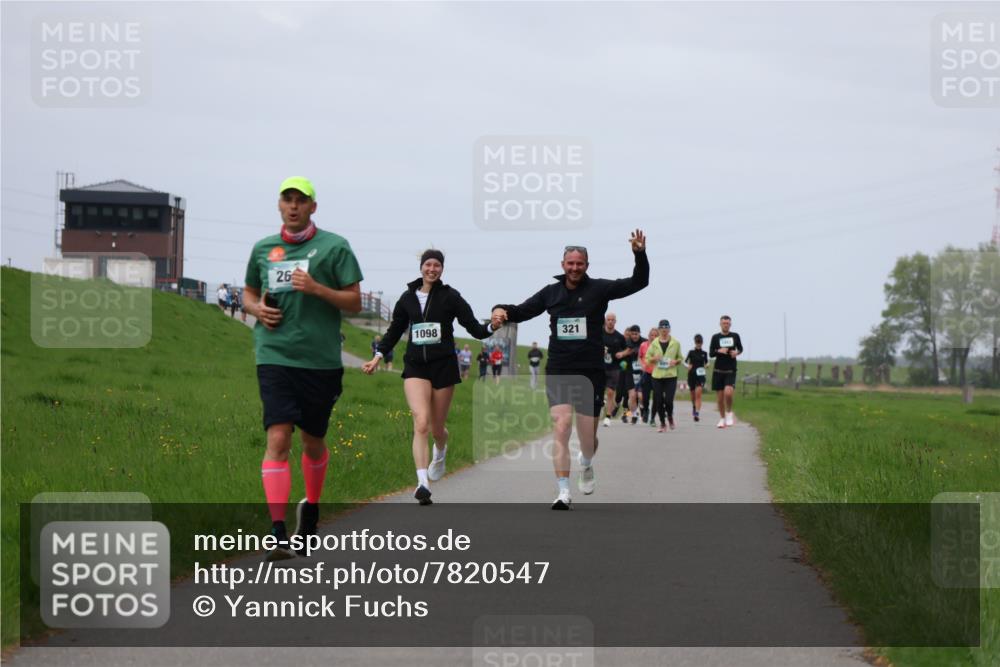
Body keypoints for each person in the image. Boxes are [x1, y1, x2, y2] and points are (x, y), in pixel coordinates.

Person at [242, 176, 363, 561]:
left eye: (301, 200)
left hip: (321, 361)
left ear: (313, 207)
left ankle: (310, 510)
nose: (293, 206)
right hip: (274, 354)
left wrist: (317, 289)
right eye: (287, 199)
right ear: (279, 205)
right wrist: (255, 309)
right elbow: (247, 291)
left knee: (312, 441)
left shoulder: (334, 247)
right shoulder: (264, 249)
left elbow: (355, 302)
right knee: (278, 438)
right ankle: (277, 532)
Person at [491, 230, 649, 509]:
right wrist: (500, 310)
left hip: (590, 371)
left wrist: (639, 254)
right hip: (560, 368)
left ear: (587, 265)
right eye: (570, 263)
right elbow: (522, 310)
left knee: (588, 439)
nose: (574, 268)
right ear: (562, 264)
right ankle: (563, 491)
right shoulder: (551, 293)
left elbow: (639, 282)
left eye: (580, 263)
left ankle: (586, 463)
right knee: (561, 426)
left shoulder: (599, 289)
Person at [362, 249, 496, 505]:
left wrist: (492, 326)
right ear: (421, 267)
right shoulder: (407, 298)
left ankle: (441, 450)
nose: (432, 269)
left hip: (444, 366)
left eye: (437, 265)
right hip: (415, 366)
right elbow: (393, 332)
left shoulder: (450, 297)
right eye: (428, 265)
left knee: (436, 428)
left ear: (442, 269)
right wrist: (378, 357)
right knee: (420, 422)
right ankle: (422, 482)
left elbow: (474, 328)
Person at [644, 319, 684, 433]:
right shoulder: (655, 343)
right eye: (662, 328)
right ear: (659, 329)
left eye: (666, 327)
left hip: (671, 375)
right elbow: (647, 359)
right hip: (657, 376)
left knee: (668, 400)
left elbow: (681, 358)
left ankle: (670, 417)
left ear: (669, 329)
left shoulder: (675, 343)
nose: (664, 330)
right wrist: (654, 359)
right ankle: (662, 423)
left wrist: (675, 362)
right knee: (659, 400)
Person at [709, 315, 744, 428]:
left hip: (730, 370)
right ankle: (722, 418)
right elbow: (711, 353)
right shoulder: (715, 337)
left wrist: (736, 353)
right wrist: (719, 350)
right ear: (720, 324)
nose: (726, 325)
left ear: (730, 324)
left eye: (728, 323)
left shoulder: (735, 336)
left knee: (728, 393)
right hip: (718, 370)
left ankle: (729, 413)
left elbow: (740, 348)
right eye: (724, 323)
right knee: (719, 399)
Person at [601, 313, 627, 427]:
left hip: (614, 368)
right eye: (608, 319)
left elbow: (628, 349)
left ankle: (607, 417)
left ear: (615, 321)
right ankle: (603, 404)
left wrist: (622, 353)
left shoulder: (620, 337)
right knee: (598, 391)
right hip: (600, 367)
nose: (610, 321)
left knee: (611, 393)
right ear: (605, 321)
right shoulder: (599, 333)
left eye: (612, 320)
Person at [621, 325, 644, 424]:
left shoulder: (644, 342)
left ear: (639, 333)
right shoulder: (626, 343)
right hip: (629, 371)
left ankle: (641, 410)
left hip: (641, 372)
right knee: (628, 396)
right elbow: (620, 354)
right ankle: (631, 414)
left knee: (641, 396)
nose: (634, 336)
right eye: (633, 334)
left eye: (636, 334)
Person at [685, 334, 709, 422]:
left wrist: (707, 365)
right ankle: (694, 407)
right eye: (697, 342)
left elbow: (707, 362)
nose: (698, 344)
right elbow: (685, 362)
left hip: (701, 375)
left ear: (702, 343)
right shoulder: (691, 352)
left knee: (698, 393)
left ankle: (697, 413)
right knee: (693, 394)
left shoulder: (704, 353)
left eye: (700, 342)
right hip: (691, 375)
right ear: (695, 342)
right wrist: (688, 366)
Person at [638, 326, 657, 425]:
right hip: (647, 373)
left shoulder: (659, 346)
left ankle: (653, 417)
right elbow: (640, 357)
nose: (653, 337)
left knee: (657, 396)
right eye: (651, 335)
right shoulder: (643, 345)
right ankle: (646, 410)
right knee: (645, 396)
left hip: (657, 374)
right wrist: (642, 365)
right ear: (648, 336)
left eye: (655, 335)